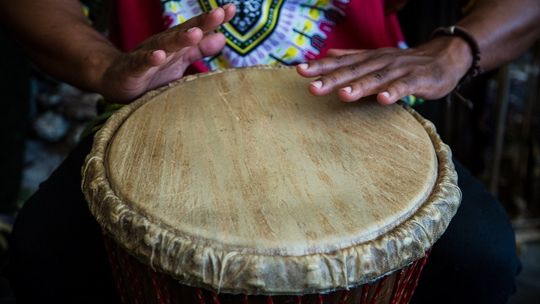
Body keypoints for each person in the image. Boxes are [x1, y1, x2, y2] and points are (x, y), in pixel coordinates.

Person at [0, 0, 539, 303]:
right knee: (45, 251)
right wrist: (102, 64)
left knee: (479, 260)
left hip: (358, 108)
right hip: (155, 110)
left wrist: (454, 50)